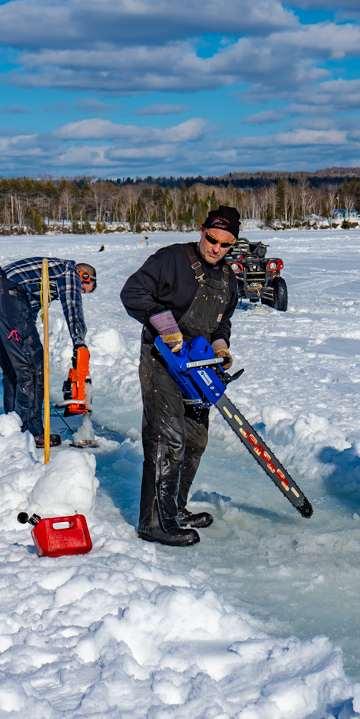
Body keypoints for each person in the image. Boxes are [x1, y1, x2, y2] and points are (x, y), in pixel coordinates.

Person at [120, 207, 240, 547]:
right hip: (161, 360)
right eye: (212, 239)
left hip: (198, 367)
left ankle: (175, 508)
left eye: (225, 244)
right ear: (201, 231)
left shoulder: (229, 279)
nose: (216, 248)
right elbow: (132, 292)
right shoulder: (172, 259)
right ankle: (154, 522)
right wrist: (163, 321)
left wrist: (221, 345)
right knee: (166, 438)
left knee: (195, 439)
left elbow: (222, 321)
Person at [0, 259, 97, 447]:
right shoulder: (69, 272)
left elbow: (28, 310)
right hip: (9, 296)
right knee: (33, 368)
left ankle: (12, 426)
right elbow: (73, 307)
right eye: (84, 289)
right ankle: (30, 432)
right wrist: (79, 342)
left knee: (13, 367)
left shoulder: (51, 273)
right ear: (84, 276)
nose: (80, 292)